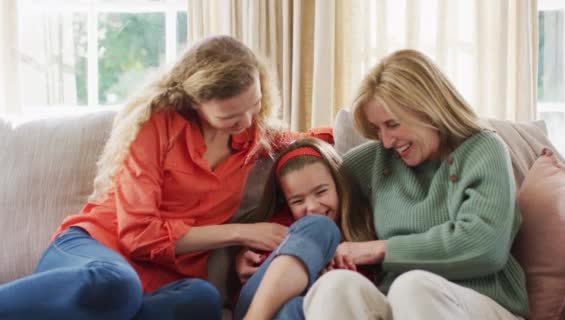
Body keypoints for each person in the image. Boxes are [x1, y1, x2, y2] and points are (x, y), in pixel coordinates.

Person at [0, 36, 329, 320]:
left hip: (162, 283)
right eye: (229, 116)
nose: (246, 121)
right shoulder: (158, 126)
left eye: (254, 105)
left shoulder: (259, 140)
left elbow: (319, 143)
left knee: (203, 300)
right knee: (116, 285)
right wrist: (240, 233)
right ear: (195, 102)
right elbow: (139, 235)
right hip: (93, 252)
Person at [302, 49, 530, 320]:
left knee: (413, 287)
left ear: (428, 110)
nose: (386, 141)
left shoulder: (484, 150)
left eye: (392, 125)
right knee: (335, 287)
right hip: (398, 304)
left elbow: (485, 247)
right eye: (378, 129)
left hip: (484, 304)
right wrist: (258, 251)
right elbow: (309, 199)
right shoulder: (371, 162)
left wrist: (379, 249)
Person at [232, 137, 376, 320]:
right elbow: (263, 269)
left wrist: (337, 280)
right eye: (298, 201)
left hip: (306, 308)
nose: (313, 207)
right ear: (286, 202)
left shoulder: (361, 227)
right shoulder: (279, 226)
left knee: (297, 307)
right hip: (255, 304)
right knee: (321, 226)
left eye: (321, 191)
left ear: (339, 185)